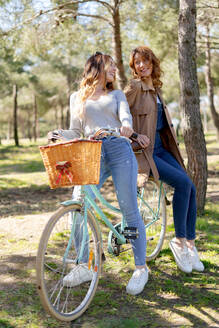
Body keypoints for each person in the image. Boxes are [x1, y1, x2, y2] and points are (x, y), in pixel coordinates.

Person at [48, 52, 150, 295]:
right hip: (90, 152)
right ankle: (83, 265)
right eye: (111, 66)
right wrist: (60, 134)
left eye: (115, 66)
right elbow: (76, 130)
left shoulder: (115, 95)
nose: (115, 70)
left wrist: (126, 127)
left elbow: (125, 116)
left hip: (118, 148)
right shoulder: (77, 98)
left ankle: (140, 267)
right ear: (97, 68)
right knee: (78, 204)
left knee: (128, 208)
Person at [124, 46, 204, 273]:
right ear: (133, 66)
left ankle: (189, 243)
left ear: (153, 63)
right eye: (137, 62)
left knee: (190, 188)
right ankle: (179, 241)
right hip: (145, 153)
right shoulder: (134, 87)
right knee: (183, 184)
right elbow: (118, 114)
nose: (142, 66)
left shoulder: (156, 89)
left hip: (162, 149)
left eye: (145, 61)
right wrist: (133, 138)